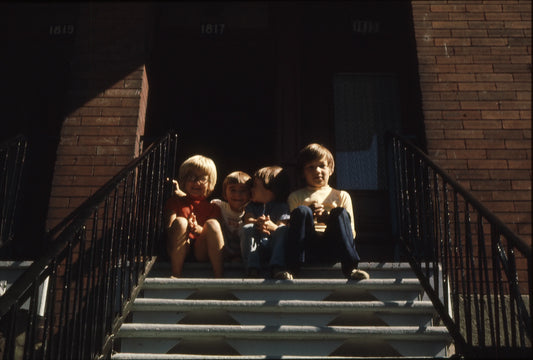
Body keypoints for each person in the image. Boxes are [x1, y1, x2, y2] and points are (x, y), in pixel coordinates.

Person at [285, 143, 370, 280]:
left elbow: (351, 233)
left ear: (331, 169)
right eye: (310, 167)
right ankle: (292, 269)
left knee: (340, 212)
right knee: (302, 211)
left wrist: (328, 219)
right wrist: (309, 216)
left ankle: (350, 268)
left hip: (333, 247)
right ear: (302, 173)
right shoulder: (295, 196)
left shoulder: (341, 195)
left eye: (322, 166)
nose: (317, 171)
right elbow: (291, 231)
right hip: (307, 248)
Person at [163, 155, 224, 278]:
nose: (196, 182)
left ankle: (219, 276)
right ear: (184, 180)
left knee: (212, 224)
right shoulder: (174, 202)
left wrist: (197, 229)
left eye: (202, 178)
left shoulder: (214, 207)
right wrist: (185, 228)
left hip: (201, 251)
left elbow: (216, 236)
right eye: (191, 177)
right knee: (180, 222)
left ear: (210, 183)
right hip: (179, 248)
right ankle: (176, 274)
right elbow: (169, 229)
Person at [241, 166, 292, 279]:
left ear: (271, 189)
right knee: (247, 228)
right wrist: (256, 222)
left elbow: (282, 225)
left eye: (255, 186)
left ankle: (277, 267)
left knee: (283, 230)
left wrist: (272, 227)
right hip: (257, 247)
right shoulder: (251, 206)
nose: (251, 190)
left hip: (272, 246)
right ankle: (252, 268)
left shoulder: (282, 207)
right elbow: (247, 220)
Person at [210, 171, 252, 262]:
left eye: (243, 190)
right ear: (225, 193)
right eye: (233, 190)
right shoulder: (219, 206)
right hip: (223, 251)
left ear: (250, 194)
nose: (238, 194)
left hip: (243, 254)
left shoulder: (252, 211)